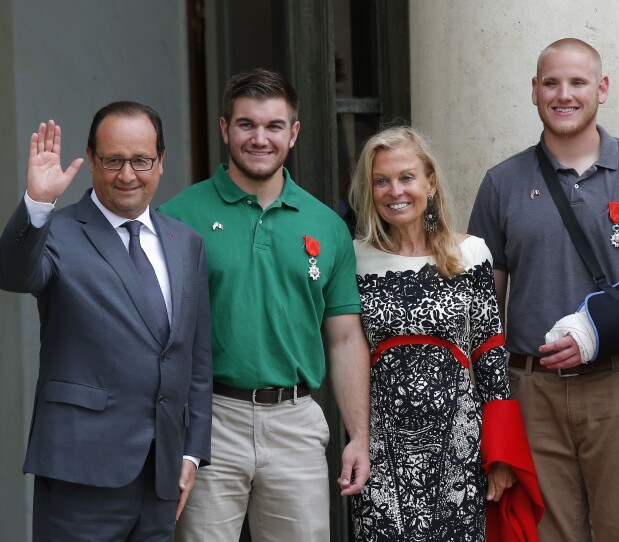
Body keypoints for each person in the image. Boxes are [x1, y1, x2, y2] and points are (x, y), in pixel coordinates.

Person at [469, 38, 619, 541]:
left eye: (577, 82)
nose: (564, 94)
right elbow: (485, 309)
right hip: (533, 391)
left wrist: (603, 328)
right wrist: (492, 406)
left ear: (603, 88)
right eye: (551, 83)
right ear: (534, 91)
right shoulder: (501, 183)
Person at [159, 68, 371, 541]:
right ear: (224, 129)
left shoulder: (327, 224)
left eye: (274, 126)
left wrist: (358, 435)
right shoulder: (178, 217)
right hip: (209, 422)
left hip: (296, 421)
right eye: (246, 125)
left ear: (293, 133)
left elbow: (342, 337)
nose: (260, 138)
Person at [0, 103, 212, 541]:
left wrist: (191, 453)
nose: (128, 174)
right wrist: (38, 203)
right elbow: (14, 274)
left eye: (141, 160)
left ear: (161, 160)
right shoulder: (56, 231)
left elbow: (195, 358)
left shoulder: (185, 243)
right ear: (92, 159)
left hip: (161, 473)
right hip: (82, 469)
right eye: (113, 160)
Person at [348, 126, 541, 541]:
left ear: (430, 183)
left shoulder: (470, 253)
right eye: (381, 181)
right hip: (379, 448)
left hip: (460, 447)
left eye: (406, 178)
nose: (394, 191)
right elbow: (346, 353)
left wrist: (501, 452)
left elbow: (490, 356)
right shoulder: (352, 260)